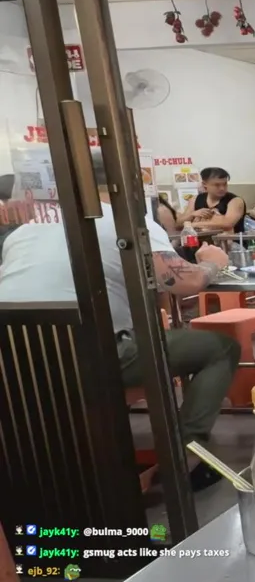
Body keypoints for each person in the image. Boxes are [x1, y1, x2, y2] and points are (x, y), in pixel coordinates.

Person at [0, 151, 240, 489]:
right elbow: (185, 282)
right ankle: (184, 458)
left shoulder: (24, 231)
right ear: (126, 182)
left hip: (12, 359)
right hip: (90, 354)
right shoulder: (126, 223)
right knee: (221, 348)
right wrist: (213, 262)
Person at [178, 167, 245, 234]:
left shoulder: (235, 201)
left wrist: (194, 225)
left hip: (231, 239)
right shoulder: (195, 199)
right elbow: (178, 225)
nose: (222, 188)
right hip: (199, 239)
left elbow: (227, 224)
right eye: (217, 185)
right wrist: (192, 214)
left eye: (225, 184)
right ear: (204, 184)